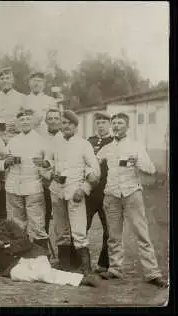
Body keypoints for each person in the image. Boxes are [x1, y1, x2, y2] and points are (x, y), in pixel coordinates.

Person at [96, 112, 168, 288]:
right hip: (111, 194)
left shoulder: (136, 146)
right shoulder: (106, 148)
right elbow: (93, 164)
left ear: (127, 126)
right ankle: (115, 269)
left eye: (120, 123)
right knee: (113, 235)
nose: (116, 126)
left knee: (142, 234)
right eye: (114, 123)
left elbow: (151, 169)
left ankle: (152, 273)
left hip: (132, 193)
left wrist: (138, 162)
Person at [0, 204, 101, 287]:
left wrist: (5, 245)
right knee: (32, 276)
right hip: (12, 267)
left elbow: (25, 242)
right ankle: (79, 279)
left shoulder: (8, 224)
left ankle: (82, 280)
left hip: (31, 255)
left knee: (43, 274)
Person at [47, 110, 100, 274]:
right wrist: (49, 171)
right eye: (63, 123)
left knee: (78, 229)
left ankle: (86, 267)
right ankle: (64, 264)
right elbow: (49, 164)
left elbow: (94, 170)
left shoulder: (84, 144)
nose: (66, 126)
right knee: (60, 229)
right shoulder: (55, 144)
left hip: (75, 191)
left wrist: (84, 189)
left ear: (76, 126)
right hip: (57, 190)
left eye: (70, 123)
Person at [0, 109, 51, 252]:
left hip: (33, 186)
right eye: (22, 120)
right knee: (16, 223)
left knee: (37, 222)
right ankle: (20, 253)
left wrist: (44, 163)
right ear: (18, 123)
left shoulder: (41, 140)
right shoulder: (12, 141)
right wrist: (6, 162)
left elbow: (50, 162)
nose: (25, 122)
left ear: (33, 122)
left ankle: (42, 255)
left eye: (28, 119)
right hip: (13, 186)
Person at [85, 112, 113, 273]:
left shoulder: (114, 142)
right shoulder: (89, 142)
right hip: (90, 193)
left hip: (107, 191)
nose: (101, 125)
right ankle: (81, 262)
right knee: (82, 227)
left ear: (109, 124)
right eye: (99, 122)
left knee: (108, 229)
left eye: (104, 122)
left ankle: (104, 264)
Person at [0, 67, 27, 144]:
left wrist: (18, 125)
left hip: (16, 136)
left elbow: (29, 118)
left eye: (8, 78)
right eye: (2, 78)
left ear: (12, 80)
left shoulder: (22, 97)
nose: (5, 81)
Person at [42, 108, 64, 234]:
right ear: (45, 121)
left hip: (61, 183)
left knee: (61, 218)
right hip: (44, 184)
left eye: (56, 118)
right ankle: (43, 250)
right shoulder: (41, 139)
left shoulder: (66, 138)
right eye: (50, 118)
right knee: (43, 217)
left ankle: (65, 249)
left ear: (61, 120)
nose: (53, 121)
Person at [24, 71, 59, 136]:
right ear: (29, 83)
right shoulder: (24, 100)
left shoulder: (51, 101)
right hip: (29, 136)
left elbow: (56, 121)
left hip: (46, 135)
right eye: (34, 81)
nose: (36, 84)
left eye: (39, 81)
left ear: (44, 84)